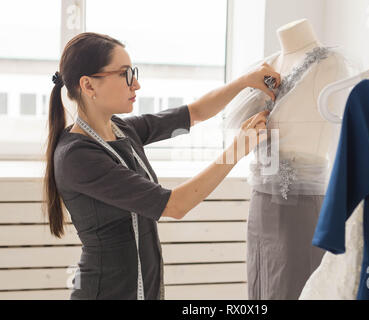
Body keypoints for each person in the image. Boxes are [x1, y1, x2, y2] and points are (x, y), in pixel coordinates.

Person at [42, 32, 280, 300]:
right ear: (88, 85)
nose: (136, 85)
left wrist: (244, 82)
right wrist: (235, 151)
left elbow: (196, 113)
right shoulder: (78, 157)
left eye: (134, 72)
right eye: (125, 75)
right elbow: (175, 205)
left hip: (145, 287)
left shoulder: (121, 129)